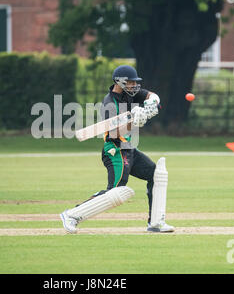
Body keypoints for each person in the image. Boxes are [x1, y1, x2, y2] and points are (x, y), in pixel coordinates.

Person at [60, 65, 174, 233]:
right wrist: (134, 121)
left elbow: (152, 95)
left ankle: (155, 222)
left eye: (135, 83)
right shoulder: (109, 103)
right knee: (115, 192)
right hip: (115, 150)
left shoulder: (132, 93)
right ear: (119, 82)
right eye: (130, 82)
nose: (134, 86)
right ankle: (72, 215)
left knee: (155, 175)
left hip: (130, 149)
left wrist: (152, 104)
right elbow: (114, 133)